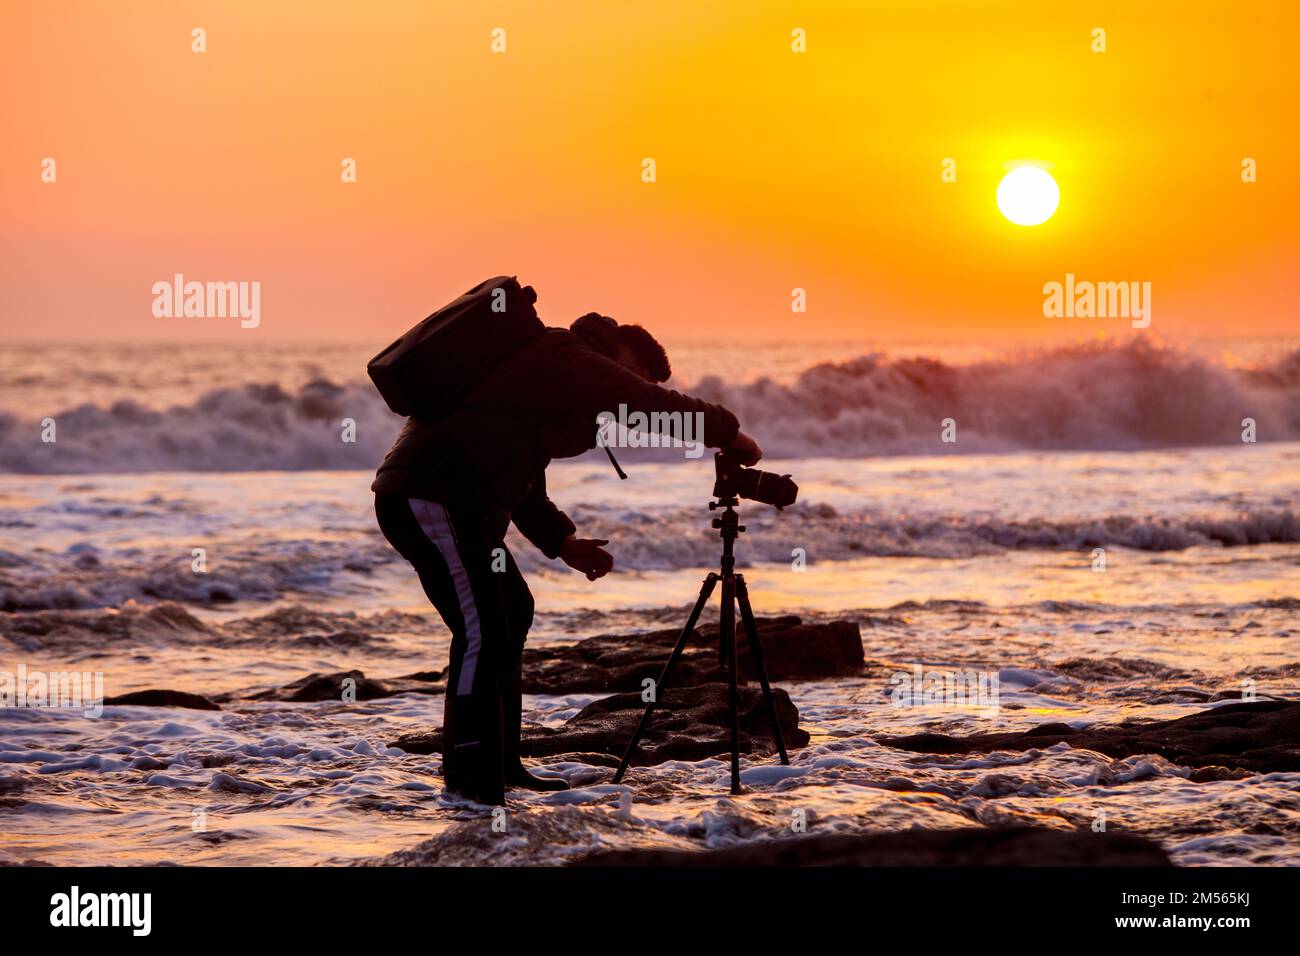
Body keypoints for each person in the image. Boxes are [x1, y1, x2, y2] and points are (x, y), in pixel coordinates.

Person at [372, 312, 761, 804]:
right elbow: (648, 403)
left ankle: (502, 763)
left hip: (457, 504)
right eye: (634, 374)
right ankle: (470, 779)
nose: (629, 390)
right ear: (621, 354)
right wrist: (729, 432)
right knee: (482, 630)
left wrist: (563, 541)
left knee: (511, 612)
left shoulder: (548, 371)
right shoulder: (567, 355)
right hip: (432, 497)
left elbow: (524, 477)